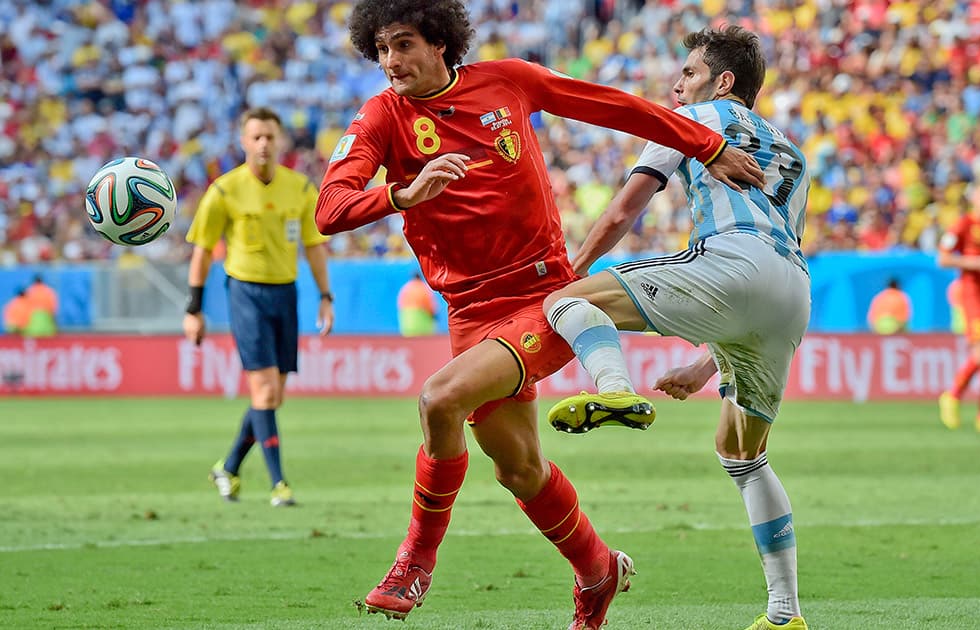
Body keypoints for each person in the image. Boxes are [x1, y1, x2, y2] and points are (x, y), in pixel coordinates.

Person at [314, 2, 765, 627]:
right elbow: (329, 208)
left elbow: (614, 106)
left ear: (441, 42)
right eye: (382, 49)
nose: (391, 61)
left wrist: (707, 143)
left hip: (543, 298)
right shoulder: (381, 118)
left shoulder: (509, 82)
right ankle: (598, 569)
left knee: (439, 400)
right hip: (469, 312)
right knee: (519, 468)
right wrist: (401, 193)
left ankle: (415, 561)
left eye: (404, 44)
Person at [542, 26, 810, 630]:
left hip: (730, 260)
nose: (676, 83)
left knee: (566, 301)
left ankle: (612, 386)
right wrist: (700, 366)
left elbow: (624, 209)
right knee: (741, 453)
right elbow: (769, 274)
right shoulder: (793, 154)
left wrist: (573, 269)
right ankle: (784, 613)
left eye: (687, 73)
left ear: (722, 81)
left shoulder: (689, 119)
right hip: (791, 289)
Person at [183, 106, 334, 507]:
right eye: (256, 137)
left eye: (270, 136)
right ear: (244, 142)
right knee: (265, 390)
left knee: (272, 395)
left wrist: (325, 296)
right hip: (246, 292)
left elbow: (315, 247)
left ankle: (229, 467)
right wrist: (193, 308)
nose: (264, 144)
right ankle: (278, 483)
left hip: (286, 293)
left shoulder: (300, 189)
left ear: (280, 140)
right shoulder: (224, 191)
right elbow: (201, 253)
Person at [937, 180, 980, 433]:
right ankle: (952, 395)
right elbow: (943, 258)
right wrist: (976, 263)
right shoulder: (963, 225)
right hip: (974, 296)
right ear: (974, 199)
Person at [397, 271, 438, 336]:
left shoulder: (406, 288)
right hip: (422, 323)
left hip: (407, 322)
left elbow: (400, 304)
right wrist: (434, 315)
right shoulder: (424, 288)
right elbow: (430, 305)